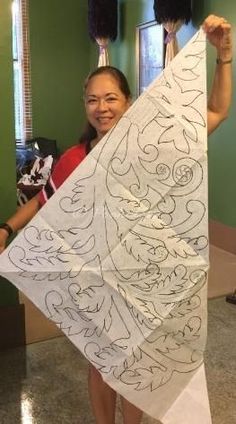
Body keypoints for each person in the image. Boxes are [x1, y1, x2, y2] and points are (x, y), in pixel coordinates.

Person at [0, 14, 232, 424]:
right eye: (92, 99)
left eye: (111, 98)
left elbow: (215, 111)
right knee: (102, 361)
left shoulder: (153, 149)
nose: (101, 107)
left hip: (143, 275)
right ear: (84, 105)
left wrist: (224, 58)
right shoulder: (76, 158)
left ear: (128, 101)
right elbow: (43, 203)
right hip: (97, 279)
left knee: (138, 364)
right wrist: (7, 228)